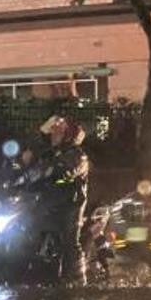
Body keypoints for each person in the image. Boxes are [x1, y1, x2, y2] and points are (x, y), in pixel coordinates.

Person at [17, 115, 90, 281]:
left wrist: (48, 171)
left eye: (58, 132)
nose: (53, 134)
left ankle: (78, 280)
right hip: (48, 203)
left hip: (70, 204)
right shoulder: (50, 154)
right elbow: (32, 168)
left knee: (70, 241)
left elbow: (61, 170)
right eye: (53, 131)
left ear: (68, 135)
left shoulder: (77, 155)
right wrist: (17, 181)